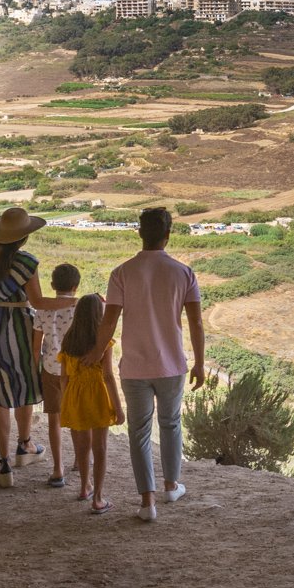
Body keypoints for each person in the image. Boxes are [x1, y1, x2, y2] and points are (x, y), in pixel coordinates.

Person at [94, 207, 204, 522]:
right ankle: (171, 485)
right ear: (167, 236)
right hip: (172, 365)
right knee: (171, 424)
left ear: (140, 233)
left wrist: (95, 354)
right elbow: (195, 323)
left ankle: (147, 504)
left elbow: (109, 322)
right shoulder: (184, 273)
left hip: (134, 368)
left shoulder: (121, 273)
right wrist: (199, 363)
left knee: (139, 433)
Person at [0, 207, 76, 489]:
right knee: (24, 389)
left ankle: (5, 465)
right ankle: (25, 446)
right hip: (19, 330)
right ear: (23, 238)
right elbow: (40, 303)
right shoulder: (27, 262)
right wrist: (75, 302)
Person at [57, 294, 124, 514]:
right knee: (100, 448)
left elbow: (63, 377)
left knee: (81, 447)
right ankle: (98, 498)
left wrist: (66, 402)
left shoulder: (68, 339)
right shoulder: (102, 342)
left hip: (74, 397)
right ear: (99, 314)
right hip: (96, 396)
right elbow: (108, 376)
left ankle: (84, 487)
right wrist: (119, 408)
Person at [35, 263, 82, 488]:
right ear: (76, 286)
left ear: (52, 285)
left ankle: (57, 469)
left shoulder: (42, 309)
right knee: (77, 418)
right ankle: (80, 461)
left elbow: (37, 346)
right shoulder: (80, 308)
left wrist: (36, 369)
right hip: (75, 370)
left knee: (54, 419)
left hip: (51, 369)